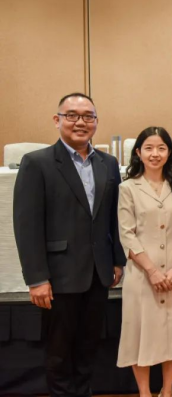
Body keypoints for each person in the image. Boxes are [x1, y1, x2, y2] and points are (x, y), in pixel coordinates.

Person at [13, 93, 125, 397]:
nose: (80, 122)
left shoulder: (108, 163)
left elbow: (113, 217)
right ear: (57, 120)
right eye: (72, 115)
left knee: (89, 346)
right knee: (59, 351)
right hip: (59, 274)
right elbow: (27, 225)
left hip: (98, 273)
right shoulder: (37, 163)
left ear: (96, 122)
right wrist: (36, 278)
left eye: (88, 116)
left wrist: (117, 260)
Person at [117, 127, 172, 397]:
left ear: (169, 152)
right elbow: (127, 234)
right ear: (138, 152)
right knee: (140, 333)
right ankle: (144, 392)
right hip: (142, 273)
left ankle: (168, 390)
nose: (155, 154)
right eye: (149, 148)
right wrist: (152, 271)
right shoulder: (128, 188)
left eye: (161, 148)